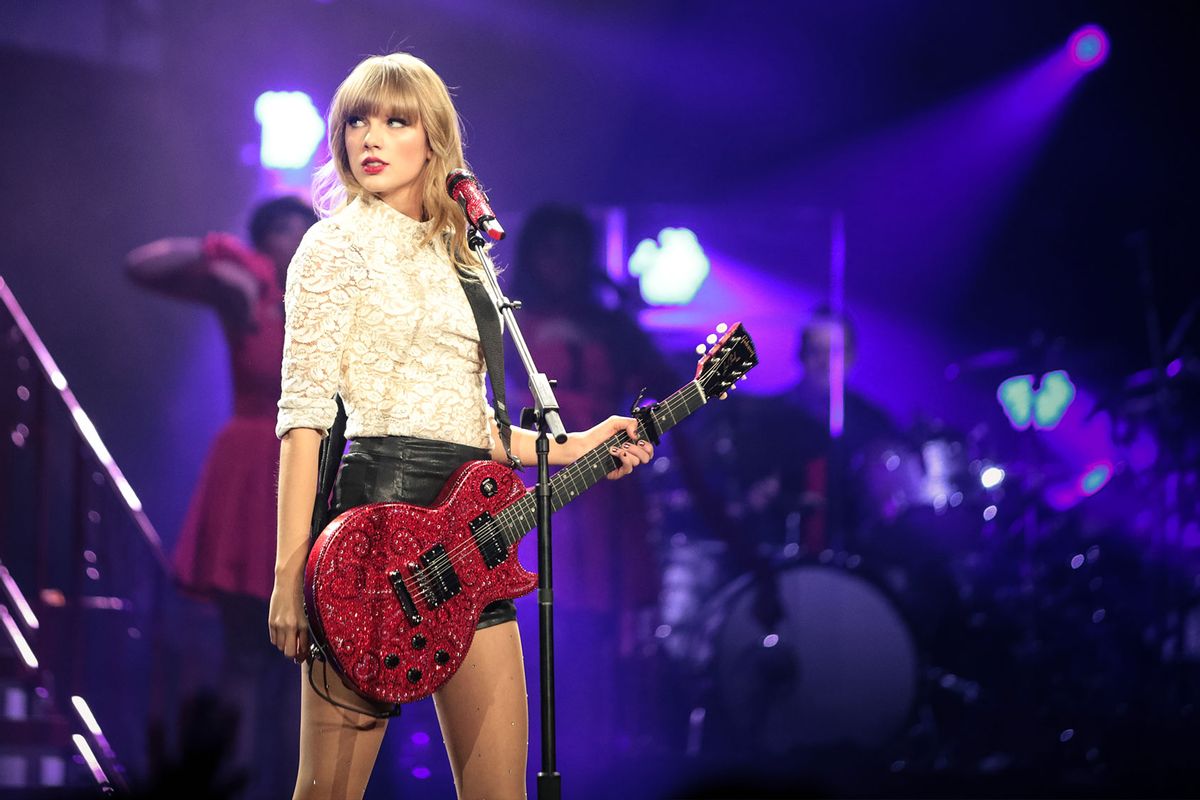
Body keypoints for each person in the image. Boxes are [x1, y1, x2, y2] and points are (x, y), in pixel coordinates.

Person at [268, 53, 653, 800]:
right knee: (327, 793)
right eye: (356, 120)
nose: (370, 138)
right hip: (375, 516)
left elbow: (476, 420)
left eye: (395, 120)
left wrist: (582, 445)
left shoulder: (466, 257)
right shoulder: (333, 246)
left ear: (433, 141)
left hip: (473, 526)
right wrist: (289, 577)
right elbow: (304, 420)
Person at [126, 195, 317, 799]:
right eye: (280, 232)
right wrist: (223, 254)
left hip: (313, 467)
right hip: (249, 467)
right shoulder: (245, 292)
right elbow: (141, 264)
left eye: (303, 231)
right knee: (242, 653)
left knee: (301, 662)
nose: (293, 242)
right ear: (262, 242)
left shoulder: (331, 303)